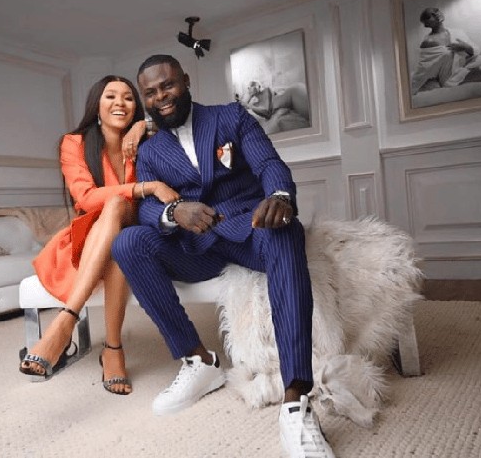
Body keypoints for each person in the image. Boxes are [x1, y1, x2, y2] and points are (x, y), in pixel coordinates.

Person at [111, 55, 334, 457]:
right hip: (195, 247)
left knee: (287, 230)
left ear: (186, 81)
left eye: (168, 85)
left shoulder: (231, 116)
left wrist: (280, 196)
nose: (161, 97)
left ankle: (296, 399)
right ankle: (198, 361)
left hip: (249, 231)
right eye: (151, 93)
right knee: (127, 243)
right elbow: (146, 208)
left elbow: (268, 163)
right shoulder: (150, 150)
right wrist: (174, 212)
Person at [19, 75, 179, 395]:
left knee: (122, 222)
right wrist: (146, 187)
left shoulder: (146, 140)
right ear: (96, 105)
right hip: (91, 239)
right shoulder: (74, 143)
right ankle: (111, 349)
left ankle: (65, 322)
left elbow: (176, 127)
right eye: (110, 96)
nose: (120, 103)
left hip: (140, 230)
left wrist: (143, 125)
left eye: (128, 97)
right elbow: (86, 198)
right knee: (117, 226)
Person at [410, 7, 481, 95]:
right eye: (430, 15)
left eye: (436, 11)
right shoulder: (428, 42)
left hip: (469, 62)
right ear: (426, 23)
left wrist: (465, 47)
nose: (436, 14)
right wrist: (414, 88)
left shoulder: (457, 32)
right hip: (452, 75)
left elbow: (476, 51)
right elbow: (424, 68)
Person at [238, 80, 310, 134]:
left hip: (290, 96)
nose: (251, 88)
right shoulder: (255, 105)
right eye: (249, 87)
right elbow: (241, 109)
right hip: (284, 108)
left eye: (254, 85)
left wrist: (249, 105)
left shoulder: (266, 90)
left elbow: (268, 111)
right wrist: (248, 100)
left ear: (259, 86)